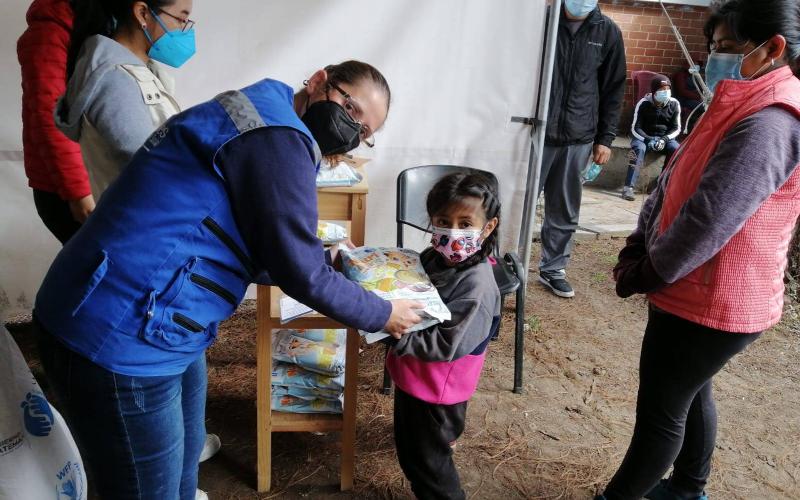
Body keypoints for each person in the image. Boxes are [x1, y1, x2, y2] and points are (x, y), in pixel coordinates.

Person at [33, 60, 423, 500]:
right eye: (351, 111)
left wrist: (327, 258)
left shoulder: (268, 115)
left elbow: (254, 236)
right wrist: (383, 312)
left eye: (365, 131)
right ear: (319, 81)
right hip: (118, 329)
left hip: (155, 319)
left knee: (179, 474)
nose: (353, 132)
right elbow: (300, 273)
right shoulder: (278, 138)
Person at [598, 0, 800, 498]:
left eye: (729, 48)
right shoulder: (738, 100)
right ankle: (688, 490)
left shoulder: (771, 121)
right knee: (690, 391)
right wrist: (638, 241)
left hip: (710, 297)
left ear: (773, 48)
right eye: (713, 48)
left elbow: (708, 219)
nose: (715, 59)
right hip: (696, 289)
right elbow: (671, 183)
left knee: (661, 414)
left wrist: (647, 272)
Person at [387, 172, 501, 500]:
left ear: (487, 227)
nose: (452, 232)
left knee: (428, 467)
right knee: (415, 447)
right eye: (443, 221)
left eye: (466, 224)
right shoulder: (433, 258)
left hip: (436, 391)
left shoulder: (477, 287)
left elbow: (447, 344)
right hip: (415, 378)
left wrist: (394, 333)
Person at [56, 0, 189, 200]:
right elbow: (150, 169)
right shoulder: (116, 79)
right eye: (181, 19)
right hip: (143, 221)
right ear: (142, 13)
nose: (185, 31)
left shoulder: (141, 72)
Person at [538, 0, 626, 298]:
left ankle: (552, 269)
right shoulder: (542, 21)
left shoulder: (607, 31)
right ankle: (502, 260)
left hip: (578, 136)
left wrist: (605, 138)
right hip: (535, 131)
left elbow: (614, 88)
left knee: (563, 208)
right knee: (516, 202)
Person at [17, 0, 93, 244]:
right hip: (65, 188)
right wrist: (79, 193)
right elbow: (50, 115)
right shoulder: (50, 28)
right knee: (90, 275)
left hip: (93, 175)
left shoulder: (97, 20)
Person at [621, 75, 681, 202]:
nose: (665, 92)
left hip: (665, 138)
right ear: (654, 91)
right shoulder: (643, 103)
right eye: (662, 89)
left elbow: (677, 128)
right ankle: (628, 187)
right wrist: (649, 139)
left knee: (676, 149)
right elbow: (635, 128)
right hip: (644, 137)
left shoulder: (674, 104)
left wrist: (664, 139)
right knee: (638, 148)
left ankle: (659, 185)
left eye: (667, 89)